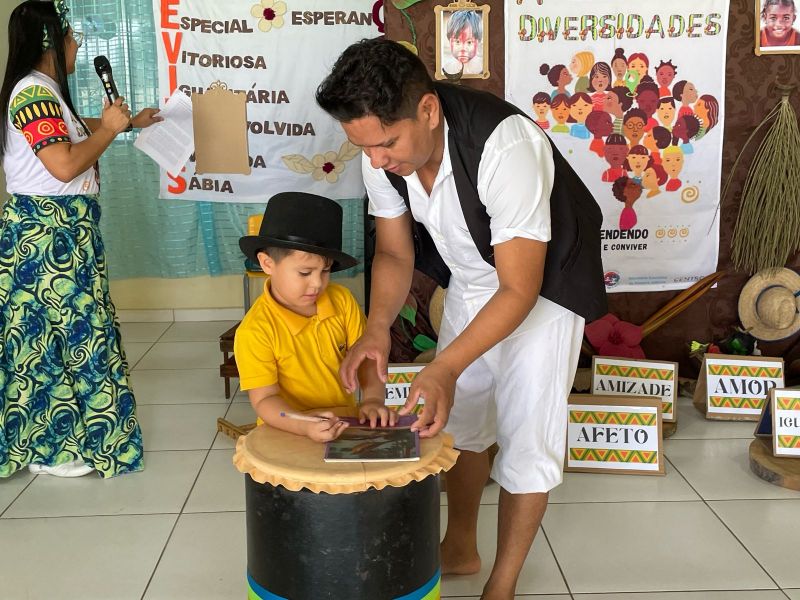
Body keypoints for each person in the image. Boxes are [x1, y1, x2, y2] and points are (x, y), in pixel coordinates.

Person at [316, 38, 606, 599]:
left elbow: (519, 289)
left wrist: (444, 365)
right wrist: (376, 329)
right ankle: (461, 546)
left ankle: (503, 585)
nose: (376, 160)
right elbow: (394, 253)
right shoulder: (382, 153)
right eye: (363, 147)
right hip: (475, 281)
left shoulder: (504, 146)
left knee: (527, 441)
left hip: (546, 292)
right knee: (461, 421)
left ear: (427, 110)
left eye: (386, 144)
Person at [0, 0, 161, 479]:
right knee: (60, 340)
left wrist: (130, 122)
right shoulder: (32, 93)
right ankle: (51, 448)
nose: (77, 45)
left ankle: (70, 440)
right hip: (46, 241)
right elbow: (64, 164)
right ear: (50, 41)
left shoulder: (45, 92)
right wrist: (110, 131)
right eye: (72, 37)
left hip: (65, 234)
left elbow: (69, 129)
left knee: (72, 336)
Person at [234, 192, 394, 441]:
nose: (318, 283)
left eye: (326, 271)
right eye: (305, 272)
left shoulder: (342, 301)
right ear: (267, 264)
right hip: (286, 430)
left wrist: (373, 399)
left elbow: (367, 358)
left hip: (340, 424)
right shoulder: (255, 331)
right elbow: (265, 399)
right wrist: (304, 426)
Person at [442, 10, 483, 76]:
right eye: (457, 42)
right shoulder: (445, 69)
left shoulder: (484, 68)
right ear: (449, 41)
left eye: (469, 42)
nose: (463, 48)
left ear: (478, 41)